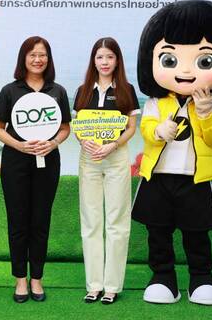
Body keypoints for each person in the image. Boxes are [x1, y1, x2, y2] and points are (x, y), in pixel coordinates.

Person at [132, 0, 212, 306]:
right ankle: (163, 277)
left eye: (204, 61)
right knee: (158, 232)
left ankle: (202, 279)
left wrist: (205, 114)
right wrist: (158, 131)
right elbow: (146, 129)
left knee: (197, 233)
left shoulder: (211, 104)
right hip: (158, 176)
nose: (185, 70)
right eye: (170, 60)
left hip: (195, 178)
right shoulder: (155, 102)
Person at [0, 36, 71, 303]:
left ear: (49, 59)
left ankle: (37, 278)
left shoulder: (57, 91)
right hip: (16, 162)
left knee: (40, 220)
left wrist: (53, 143)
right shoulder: (10, 90)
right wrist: (19, 145)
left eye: (43, 55)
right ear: (23, 58)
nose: (38, 59)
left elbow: (65, 127)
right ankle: (20, 280)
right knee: (17, 221)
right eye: (32, 55)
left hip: (48, 161)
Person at [72, 37, 140, 305]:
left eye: (109, 57)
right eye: (100, 57)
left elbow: (131, 127)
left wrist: (113, 145)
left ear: (117, 60)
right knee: (91, 221)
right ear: (94, 60)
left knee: (117, 221)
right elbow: (78, 126)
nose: (104, 62)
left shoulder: (126, 90)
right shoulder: (83, 90)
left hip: (116, 157)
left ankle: (111, 287)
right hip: (89, 159)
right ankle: (94, 286)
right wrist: (83, 141)